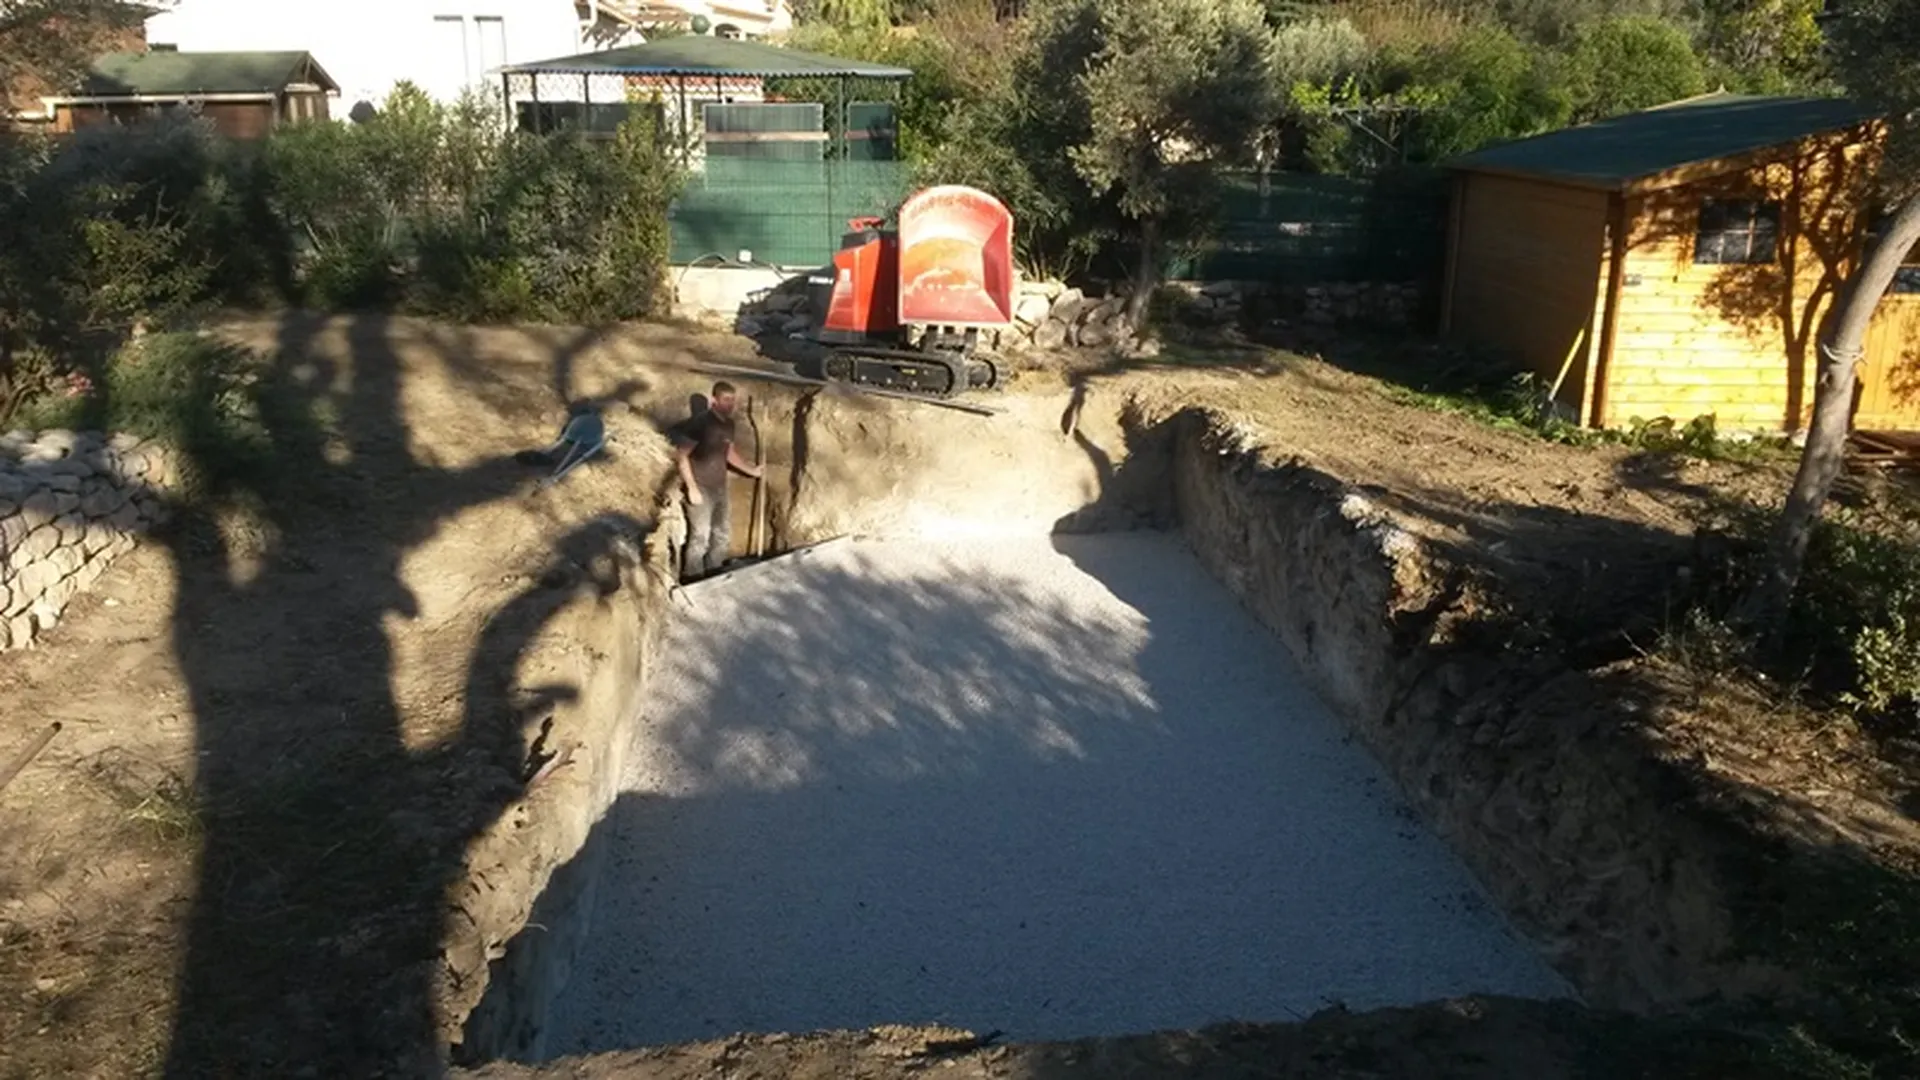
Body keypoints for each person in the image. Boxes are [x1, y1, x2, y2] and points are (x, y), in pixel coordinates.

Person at [672, 381, 762, 581]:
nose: (730, 405)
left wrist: (751, 470)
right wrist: (692, 488)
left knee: (722, 535)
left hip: (720, 487)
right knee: (700, 538)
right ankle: (693, 578)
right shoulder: (700, 424)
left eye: (733, 401)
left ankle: (714, 574)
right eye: (726, 400)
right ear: (714, 400)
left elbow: (728, 453)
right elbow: (681, 455)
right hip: (700, 487)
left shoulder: (729, 424)